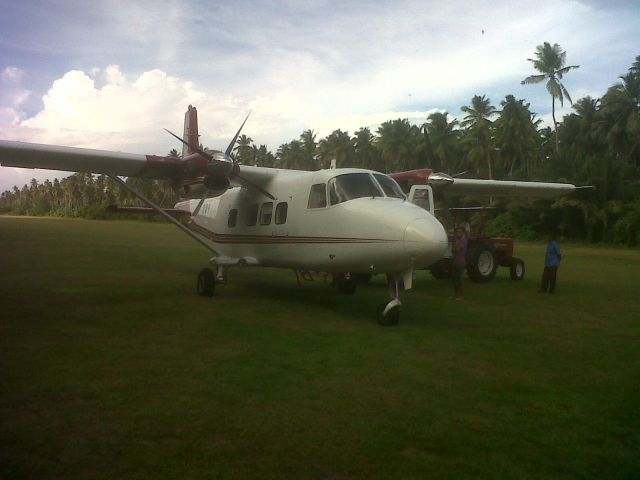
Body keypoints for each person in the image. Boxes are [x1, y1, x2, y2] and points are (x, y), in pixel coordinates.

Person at [451, 226, 468, 300]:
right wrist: (455, 248)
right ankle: (455, 294)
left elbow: (457, 249)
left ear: (463, 232)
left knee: (460, 279)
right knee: (455, 279)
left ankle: (461, 295)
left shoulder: (464, 240)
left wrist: (455, 248)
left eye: (460, 232)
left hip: (460, 262)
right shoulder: (457, 239)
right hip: (455, 261)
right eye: (457, 232)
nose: (458, 233)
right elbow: (453, 249)